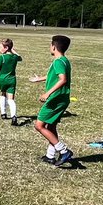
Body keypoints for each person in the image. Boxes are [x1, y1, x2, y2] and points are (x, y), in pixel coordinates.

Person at [34, 34, 74, 167]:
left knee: (39, 126)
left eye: (50, 45)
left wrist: (47, 93)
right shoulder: (64, 60)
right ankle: (50, 156)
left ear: (54, 47)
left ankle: (63, 151)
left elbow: (63, 79)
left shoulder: (58, 62)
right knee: (51, 126)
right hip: (62, 98)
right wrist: (39, 78)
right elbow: (55, 76)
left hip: (56, 98)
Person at [0, 38, 22, 125]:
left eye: (0, 47)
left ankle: (3, 113)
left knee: (3, 93)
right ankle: (14, 116)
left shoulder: (2, 57)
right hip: (12, 80)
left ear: (6, 48)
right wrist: (13, 51)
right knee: (11, 99)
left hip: (2, 80)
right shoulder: (14, 57)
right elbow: (20, 58)